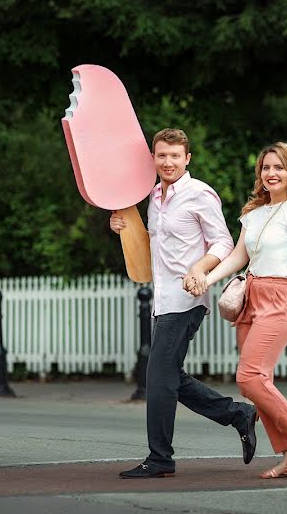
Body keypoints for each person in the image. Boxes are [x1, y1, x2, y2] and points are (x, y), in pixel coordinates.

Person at [110, 128, 258, 479]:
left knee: (158, 376)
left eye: (175, 156)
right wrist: (122, 225)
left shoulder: (199, 194)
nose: (168, 161)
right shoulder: (152, 197)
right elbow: (150, 245)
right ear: (153, 158)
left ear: (187, 158)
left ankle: (160, 459)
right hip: (163, 300)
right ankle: (237, 414)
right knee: (168, 376)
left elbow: (223, 243)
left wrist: (201, 269)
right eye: (161, 155)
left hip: (187, 297)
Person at [185, 141, 287, 479]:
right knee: (260, 379)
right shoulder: (252, 214)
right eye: (266, 167)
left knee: (248, 378)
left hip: (282, 298)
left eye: (278, 167)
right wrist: (207, 279)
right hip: (251, 297)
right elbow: (238, 257)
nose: (271, 173)